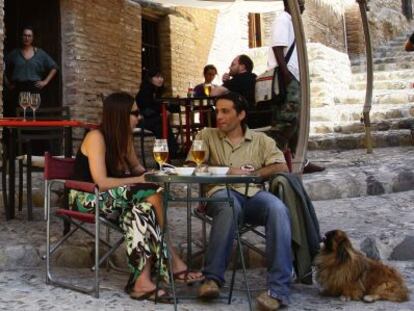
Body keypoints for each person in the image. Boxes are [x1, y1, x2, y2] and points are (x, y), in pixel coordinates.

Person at [69, 92, 203, 302]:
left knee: (141, 210)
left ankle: (141, 282)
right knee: (149, 193)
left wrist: (161, 173)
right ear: (120, 115)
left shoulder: (125, 141)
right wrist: (142, 181)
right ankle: (173, 260)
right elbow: (101, 182)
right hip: (87, 197)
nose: (139, 117)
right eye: (134, 113)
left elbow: (139, 170)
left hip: (117, 199)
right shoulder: (96, 137)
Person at [187, 92, 293, 311]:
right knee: (228, 205)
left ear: (241, 114)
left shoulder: (261, 140)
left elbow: (281, 166)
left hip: (253, 195)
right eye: (218, 111)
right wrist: (227, 171)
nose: (219, 117)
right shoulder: (206, 135)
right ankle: (212, 279)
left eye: (226, 111)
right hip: (220, 193)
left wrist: (255, 174)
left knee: (277, 208)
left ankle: (278, 290)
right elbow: (191, 167)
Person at [268, 0, 324, 173]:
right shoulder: (283, 19)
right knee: (287, 120)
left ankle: (299, 159)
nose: (303, 5)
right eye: (300, 2)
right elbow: (278, 48)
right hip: (288, 78)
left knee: (298, 121)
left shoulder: (292, 23)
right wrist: (287, 76)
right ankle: (272, 158)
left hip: (294, 78)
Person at [4, 26, 58, 117]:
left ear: (32, 38)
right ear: (21, 37)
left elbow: (54, 67)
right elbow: (2, 66)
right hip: (18, 89)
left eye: (29, 36)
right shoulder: (15, 53)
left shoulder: (40, 53)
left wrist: (45, 82)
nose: (27, 38)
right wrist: (7, 82)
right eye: (25, 35)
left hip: (34, 90)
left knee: (33, 117)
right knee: (17, 117)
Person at [135, 69, 179, 157]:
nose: (160, 79)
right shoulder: (146, 90)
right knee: (161, 122)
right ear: (150, 79)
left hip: (150, 120)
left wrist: (170, 107)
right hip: (142, 120)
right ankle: (171, 152)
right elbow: (146, 109)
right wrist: (162, 112)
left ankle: (166, 154)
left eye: (161, 77)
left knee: (161, 124)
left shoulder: (154, 90)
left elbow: (157, 105)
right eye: (157, 77)